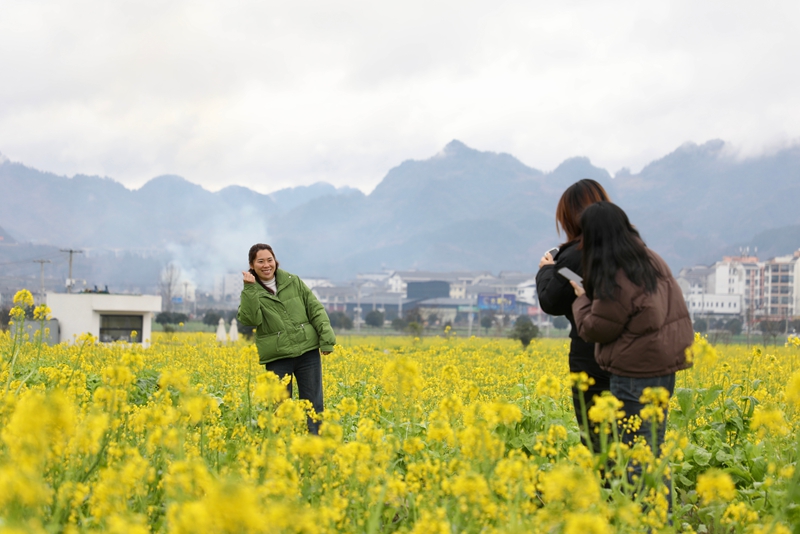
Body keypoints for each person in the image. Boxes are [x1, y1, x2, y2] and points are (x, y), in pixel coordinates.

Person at [569, 201, 693, 508]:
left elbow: (598, 328)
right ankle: (659, 521)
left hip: (635, 373)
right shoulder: (648, 258)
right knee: (652, 450)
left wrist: (581, 300)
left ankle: (648, 523)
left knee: (637, 457)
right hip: (663, 368)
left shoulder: (617, 274)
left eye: (584, 235)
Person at [536, 178, 612, 452]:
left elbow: (551, 301)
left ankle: (607, 491)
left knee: (597, 440)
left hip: (590, 354)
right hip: (633, 355)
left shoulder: (575, 258)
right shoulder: (629, 248)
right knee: (629, 438)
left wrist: (547, 269)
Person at [237, 243, 336, 434]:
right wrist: (249, 288)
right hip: (278, 357)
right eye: (260, 261)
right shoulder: (251, 291)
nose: (266, 265)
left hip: (307, 353)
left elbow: (315, 309)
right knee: (279, 407)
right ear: (251, 265)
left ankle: (316, 450)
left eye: (269, 260)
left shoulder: (293, 281)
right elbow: (250, 319)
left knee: (314, 405)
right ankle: (282, 450)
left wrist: (326, 339)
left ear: (275, 261)